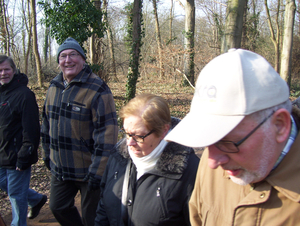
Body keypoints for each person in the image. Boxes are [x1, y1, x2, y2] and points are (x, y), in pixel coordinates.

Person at [165, 48, 300, 225]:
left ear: (279, 125)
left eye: (227, 142)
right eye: (208, 139)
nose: (211, 162)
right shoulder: (211, 163)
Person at [41, 37, 118, 226]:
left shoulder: (97, 88)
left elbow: (107, 132)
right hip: (60, 167)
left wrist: (98, 171)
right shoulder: (54, 86)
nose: (68, 60)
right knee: (58, 207)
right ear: (58, 62)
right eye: (63, 56)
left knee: (92, 217)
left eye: (73, 55)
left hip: (88, 170)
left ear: (83, 60)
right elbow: (46, 123)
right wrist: (47, 154)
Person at [94, 93, 200, 226]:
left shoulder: (189, 172)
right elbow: (103, 208)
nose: (129, 143)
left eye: (139, 136)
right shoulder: (118, 157)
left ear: (163, 131)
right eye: (126, 133)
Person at [0, 55, 47, 226]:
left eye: (6, 69)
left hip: (17, 156)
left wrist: (25, 155)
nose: (3, 73)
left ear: (13, 70)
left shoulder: (24, 95)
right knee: (9, 187)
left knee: (15, 195)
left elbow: (32, 129)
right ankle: (35, 199)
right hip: (1, 155)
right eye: (0, 70)